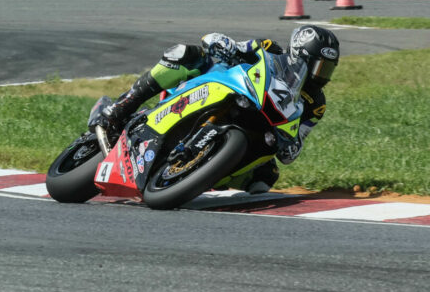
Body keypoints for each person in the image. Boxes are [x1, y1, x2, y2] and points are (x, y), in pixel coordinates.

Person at [91, 25, 339, 194]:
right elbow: (240, 48)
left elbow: (299, 138)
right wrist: (226, 46)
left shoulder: (317, 104)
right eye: (318, 66)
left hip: (259, 127)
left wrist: (291, 145)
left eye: (327, 69)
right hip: (230, 89)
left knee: (265, 179)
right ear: (299, 55)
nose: (322, 75)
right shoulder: (270, 48)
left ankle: (200, 172)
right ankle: (124, 104)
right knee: (186, 55)